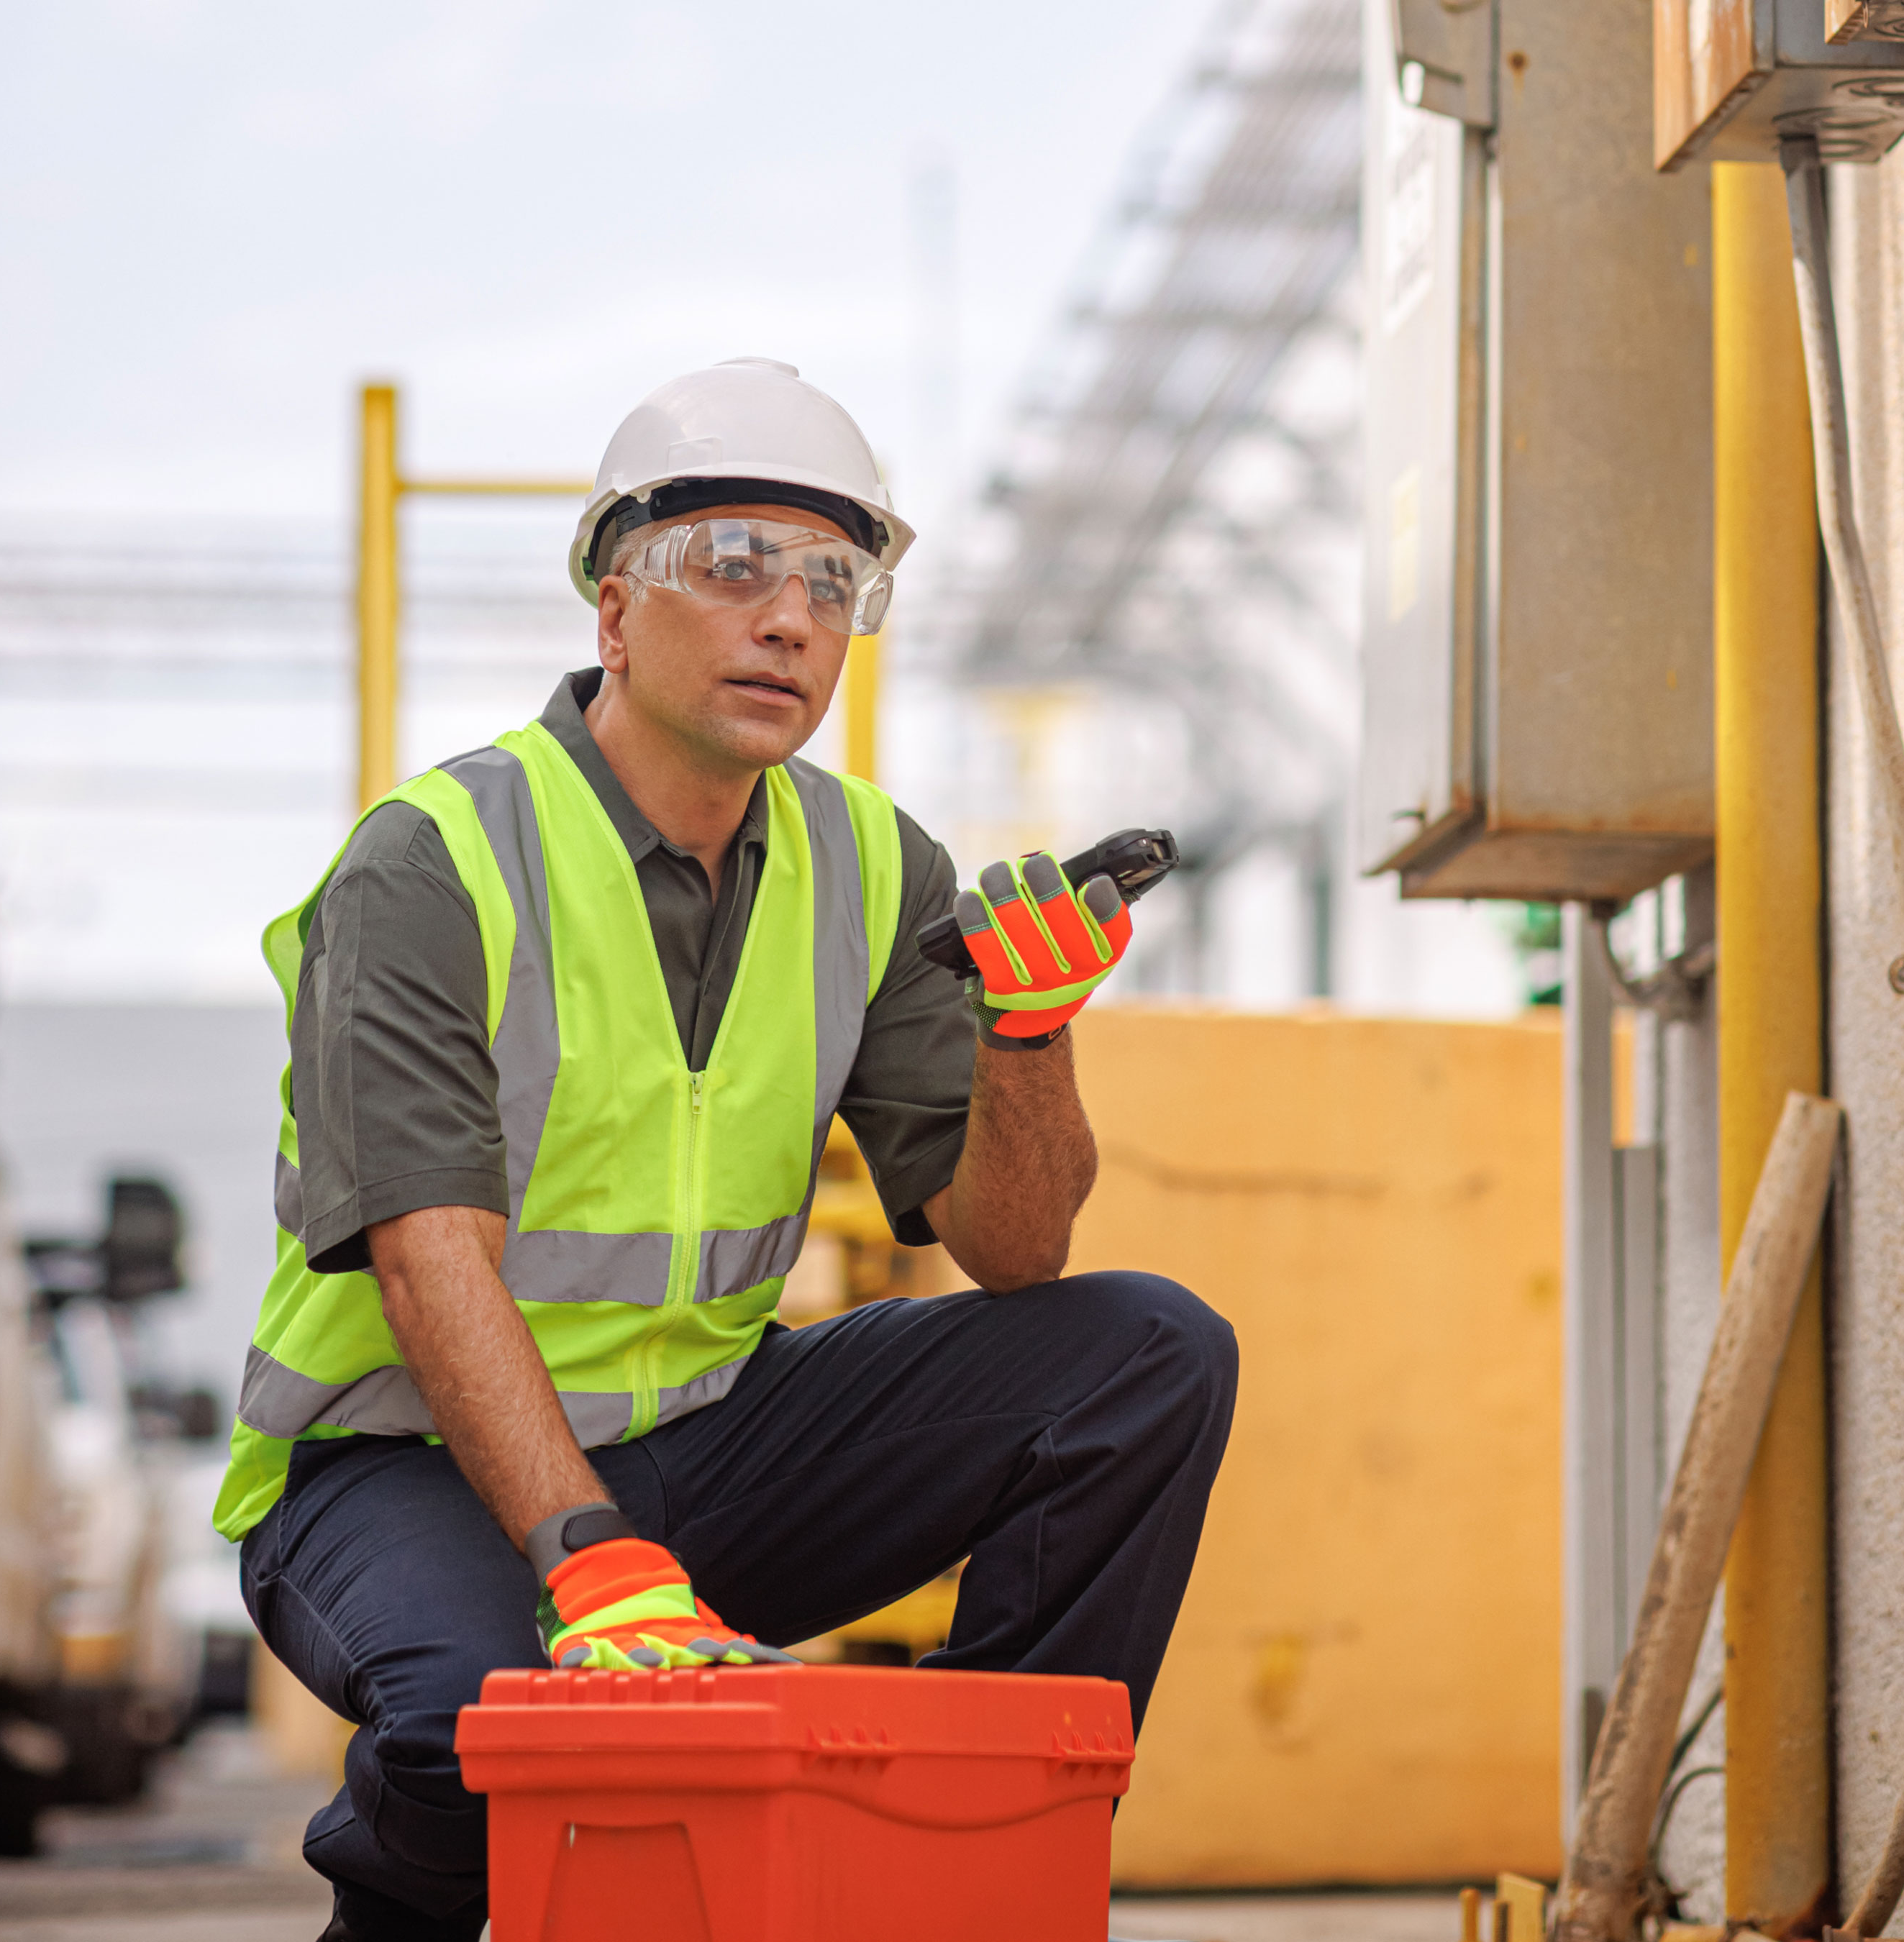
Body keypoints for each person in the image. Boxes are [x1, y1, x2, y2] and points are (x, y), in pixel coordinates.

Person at [214, 358, 1239, 1942]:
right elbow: (427, 1258)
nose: (792, 620)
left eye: (836, 584)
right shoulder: (436, 863)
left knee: (1144, 1356)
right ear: (613, 610)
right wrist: (584, 1554)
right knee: (483, 1730)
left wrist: (1030, 1039)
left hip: (712, 1441)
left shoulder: (874, 867)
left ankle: (960, 1847)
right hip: (395, 1464)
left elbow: (1019, 1251)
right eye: (735, 567)